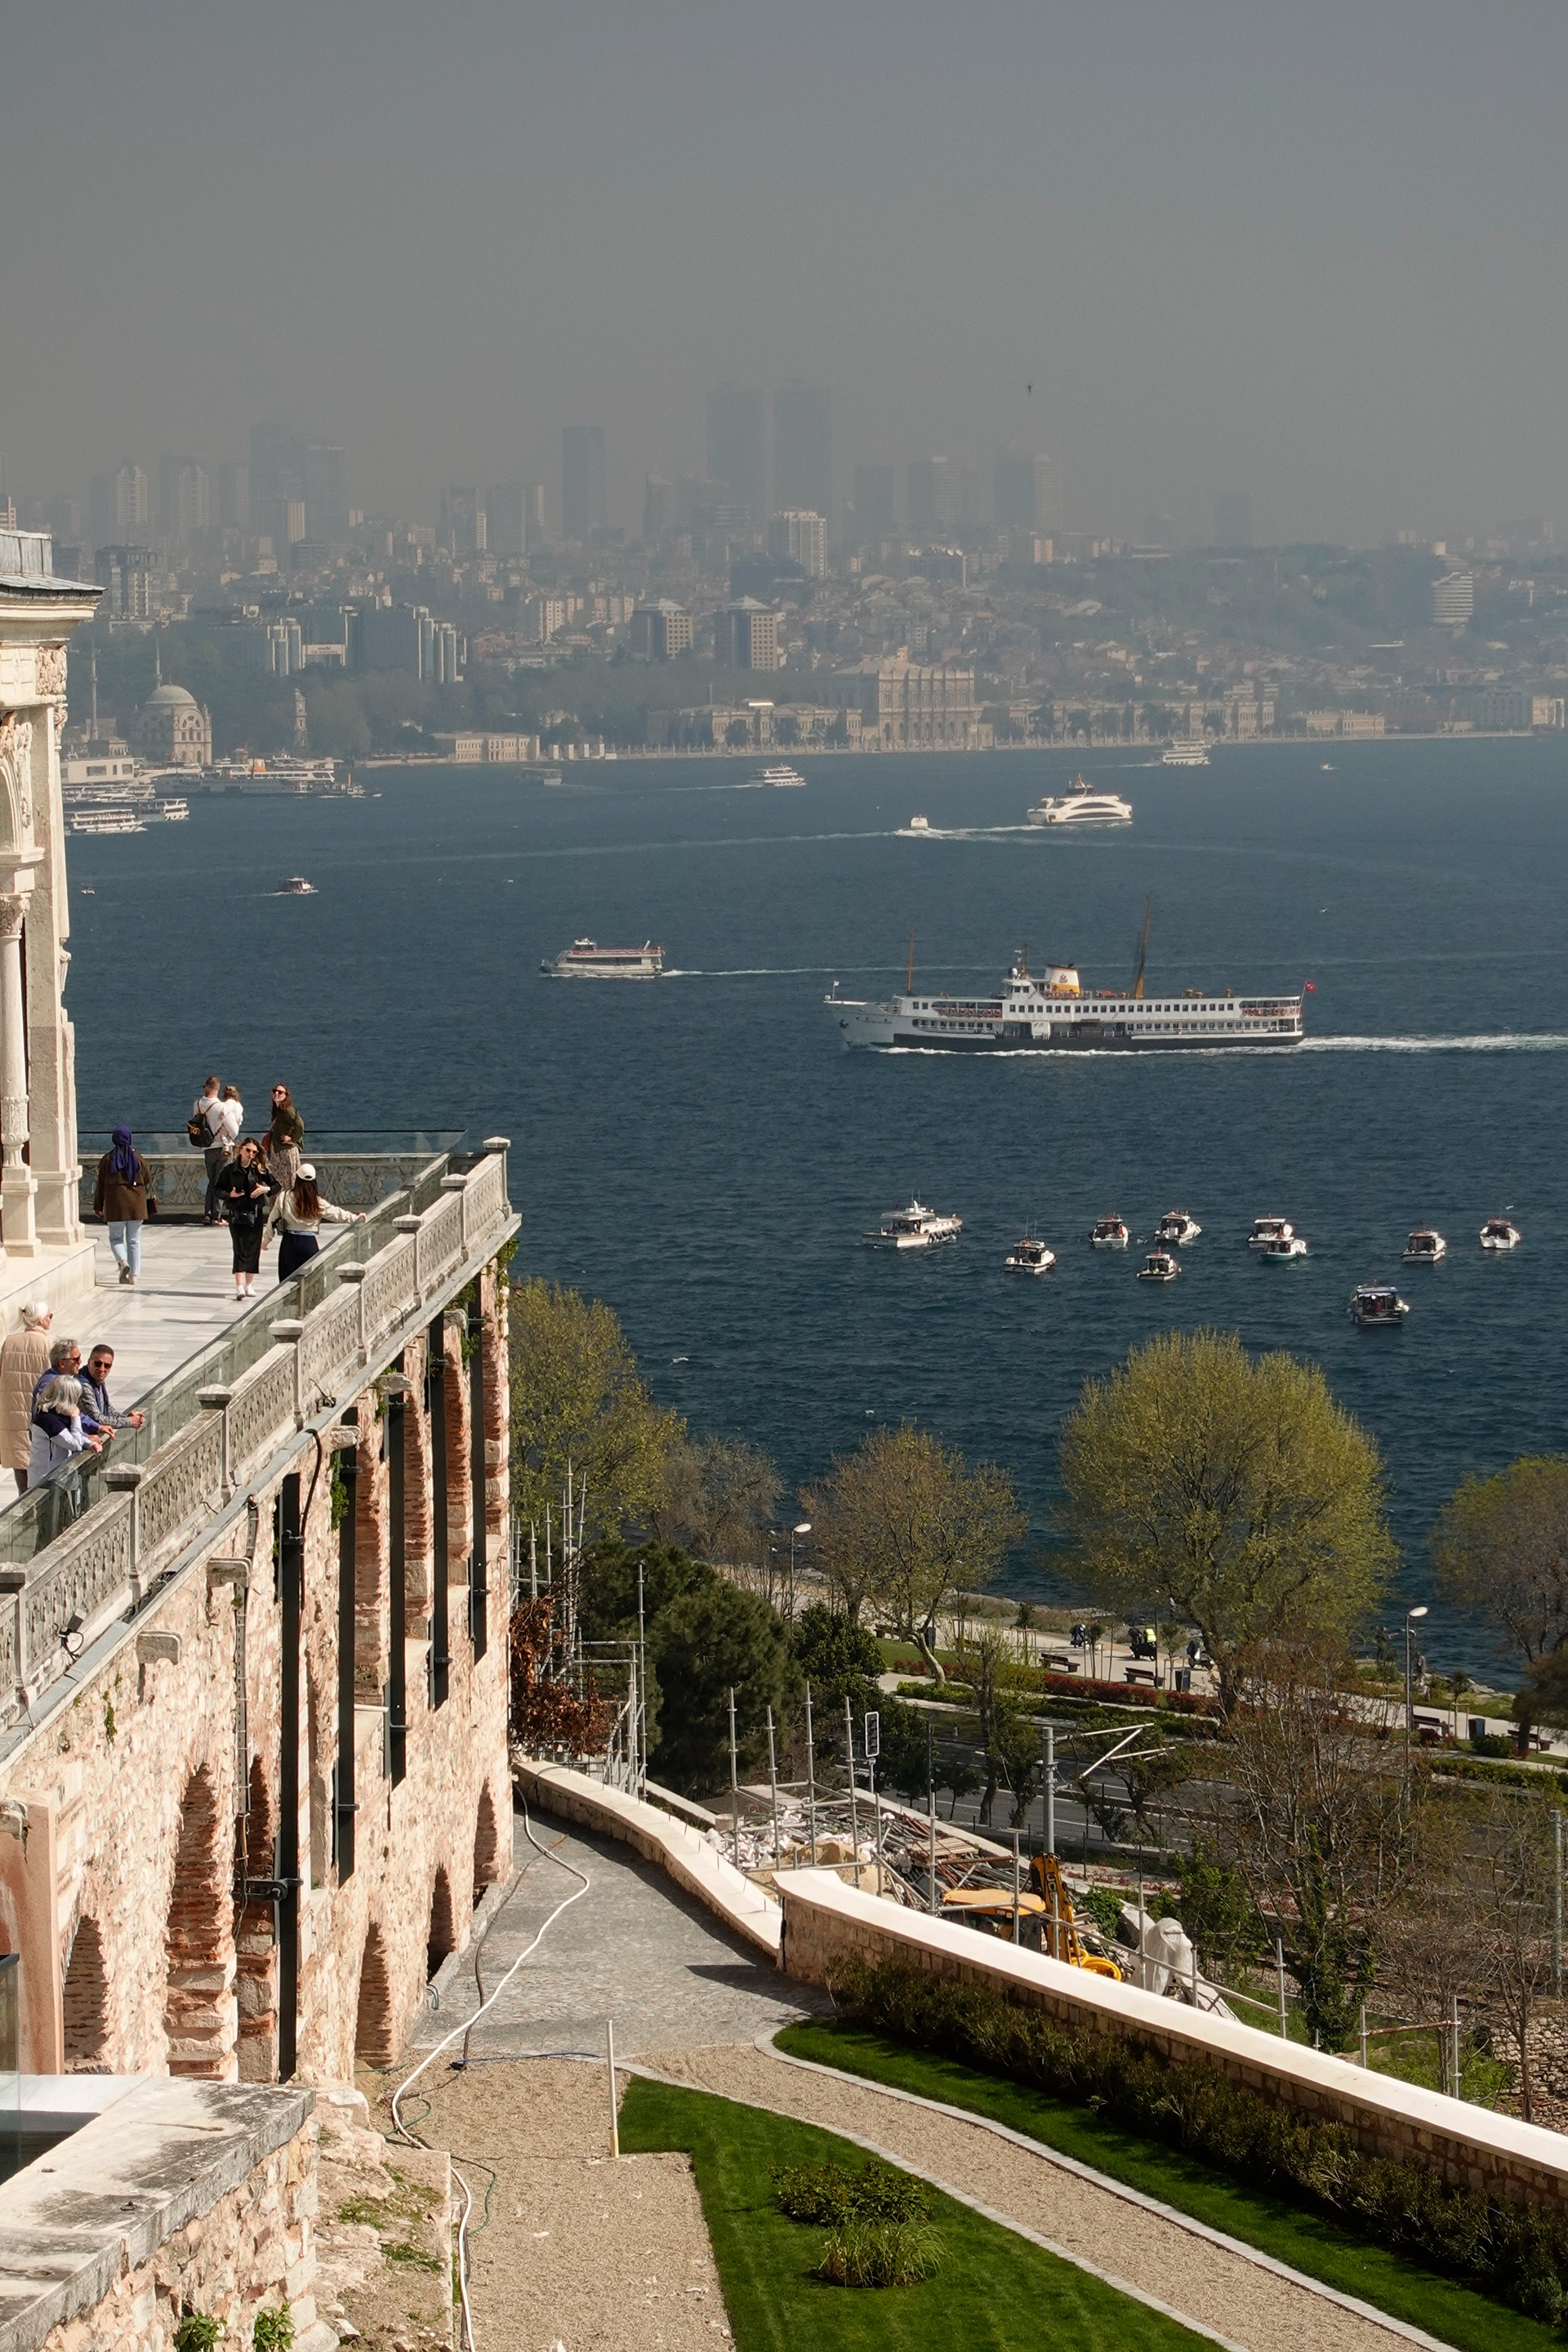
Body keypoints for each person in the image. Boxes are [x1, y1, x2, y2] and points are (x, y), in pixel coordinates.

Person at [264, 1161, 363, 1283]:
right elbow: (336, 1214)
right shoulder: (316, 1202)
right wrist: (356, 1218)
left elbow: (272, 1220)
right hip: (309, 1243)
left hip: (289, 1243)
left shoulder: (284, 1197)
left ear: (297, 1178)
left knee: (287, 1284)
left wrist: (266, 1241)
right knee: (311, 1283)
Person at [0, 1303, 52, 1493]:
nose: (51, 1319)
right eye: (49, 1315)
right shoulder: (47, 1344)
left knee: (20, 1465)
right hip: (37, 1416)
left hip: (12, 1415)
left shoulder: (10, 1342)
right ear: (40, 1319)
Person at [216, 1136, 273, 1301]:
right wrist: (229, 1195)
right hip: (237, 1214)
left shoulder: (260, 1170)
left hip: (255, 1214)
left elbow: (276, 1185)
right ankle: (239, 1286)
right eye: (248, 1150)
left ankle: (249, 1285)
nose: (251, 1154)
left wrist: (265, 1189)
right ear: (240, 1149)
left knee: (253, 1249)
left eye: (254, 1152)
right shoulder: (230, 1170)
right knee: (239, 1248)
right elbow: (217, 1189)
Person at [93, 1126, 150, 1287]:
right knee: (134, 1241)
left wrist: (98, 1205)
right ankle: (134, 1276)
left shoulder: (107, 1160)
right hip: (136, 1207)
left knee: (116, 1238)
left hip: (115, 1206)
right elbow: (147, 1178)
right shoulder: (137, 1158)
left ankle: (122, 1261)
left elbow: (100, 1186)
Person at [28, 1374, 105, 1486]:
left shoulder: (58, 1414)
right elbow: (75, 1444)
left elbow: (69, 1435)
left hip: (59, 1480)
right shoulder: (47, 1420)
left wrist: (89, 1443)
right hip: (45, 1482)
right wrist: (75, 1417)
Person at [79, 1343, 146, 1434]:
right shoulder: (83, 1385)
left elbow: (108, 1410)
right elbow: (97, 1419)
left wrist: (126, 1417)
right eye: (98, 1364)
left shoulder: (98, 1379)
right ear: (89, 1362)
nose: (102, 1369)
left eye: (107, 1366)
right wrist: (129, 1421)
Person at [191, 1076, 229, 1223]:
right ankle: (216, 1216)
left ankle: (207, 1213)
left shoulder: (197, 1104)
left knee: (212, 1180)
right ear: (217, 1089)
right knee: (220, 1182)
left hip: (207, 1147)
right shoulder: (222, 1107)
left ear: (207, 1087)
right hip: (221, 1147)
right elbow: (230, 1128)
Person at [265, 1083, 305, 1195]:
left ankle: (287, 1208)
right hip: (278, 1152)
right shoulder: (279, 1111)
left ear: (286, 1095)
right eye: (275, 1091)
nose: (276, 1094)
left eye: (280, 1092)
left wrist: (292, 1139)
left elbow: (300, 1125)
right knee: (280, 1182)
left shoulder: (288, 1110)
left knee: (288, 1183)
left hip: (286, 1152)